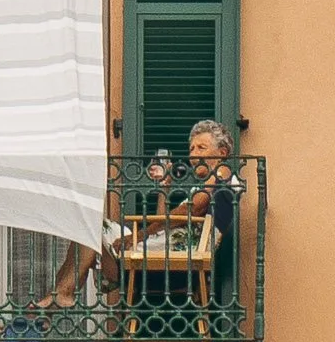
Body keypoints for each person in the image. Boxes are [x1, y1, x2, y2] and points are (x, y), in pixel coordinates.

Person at [38, 119, 239, 331]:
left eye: (201, 147)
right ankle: (61, 294)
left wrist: (138, 236)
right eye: (191, 148)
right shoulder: (211, 183)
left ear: (222, 153)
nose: (193, 154)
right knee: (90, 228)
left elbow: (192, 210)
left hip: (176, 260)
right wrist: (165, 187)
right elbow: (164, 221)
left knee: (93, 227)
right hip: (163, 253)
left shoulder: (222, 175)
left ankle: (62, 295)